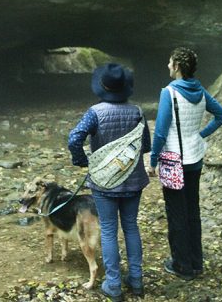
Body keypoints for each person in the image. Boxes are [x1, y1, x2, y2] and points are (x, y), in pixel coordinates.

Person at [68, 63, 151, 301]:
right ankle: (136, 280)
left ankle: (113, 285)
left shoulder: (95, 112)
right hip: (133, 181)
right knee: (131, 227)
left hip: (104, 183)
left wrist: (83, 160)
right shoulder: (137, 111)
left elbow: (74, 138)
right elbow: (145, 145)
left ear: (103, 87)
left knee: (108, 231)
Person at [148, 47, 222, 281]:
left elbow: (161, 132)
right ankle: (196, 262)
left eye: (170, 62)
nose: (168, 66)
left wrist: (152, 160)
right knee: (192, 211)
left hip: (174, 160)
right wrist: (200, 135)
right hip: (195, 159)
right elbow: (221, 116)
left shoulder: (169, 93)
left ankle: (181, 265)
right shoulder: (201, 91)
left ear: (178, 66)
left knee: (176, 213)